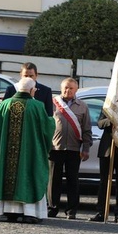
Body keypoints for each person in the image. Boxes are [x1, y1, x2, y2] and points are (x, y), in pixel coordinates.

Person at [0, 77, 55, 223]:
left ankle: (8, 211)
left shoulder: (4, 104)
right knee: (29, 174)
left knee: (6, 173)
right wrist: (52, 122)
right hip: (29, 153)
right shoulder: (37, 106)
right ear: (31, 90)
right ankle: (29, 212)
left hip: (6, 154)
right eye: (35, 89)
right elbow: (47, 128)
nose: (35, 91)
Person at [48, 77, 92, 219]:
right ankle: (52, 208)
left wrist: (86, 148)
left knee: (73, 180)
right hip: (56, 148)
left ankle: (71, 210)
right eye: (66, 87)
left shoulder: (83, 106)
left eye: (71, 88)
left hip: (74, 149)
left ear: (76, 90)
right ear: (61, 88)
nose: (68, 90)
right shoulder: (53, 103)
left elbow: (87, 129)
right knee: (54, 180)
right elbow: (46, 125)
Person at [88, 110, 118, 224]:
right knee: (104, 183)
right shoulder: (109, 105)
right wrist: (111, 121)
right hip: (107, 150)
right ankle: (101, 212)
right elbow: (100, 123)